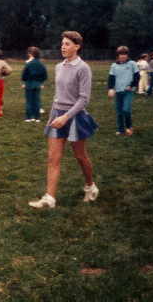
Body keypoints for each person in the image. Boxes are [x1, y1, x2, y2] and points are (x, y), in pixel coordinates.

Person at [29, 31, 98, 209]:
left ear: (77, 46)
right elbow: (57, 96)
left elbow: (84, 99)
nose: (63, 47)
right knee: (53, 158)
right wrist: (52, 116)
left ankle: (91, 187)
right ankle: (49, 198)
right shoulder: (59, 67)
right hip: (58, 115)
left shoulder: (83, 68)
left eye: (67, 44)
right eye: (62, 44)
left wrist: (66, 117)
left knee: (80, 156)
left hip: (74, 116)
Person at [107, 46, 139, 136]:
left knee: (126, 110)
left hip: (128, 91)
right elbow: (111, 79)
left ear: (127, 55)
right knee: (119, 112)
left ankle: (129, 127)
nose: (123, 56)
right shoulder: (114, 66)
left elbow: (137, 76)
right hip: (118, 92)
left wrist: (131, 85)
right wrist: (110, 88)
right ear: (118, 55)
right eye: (121, 54)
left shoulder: (132, 64)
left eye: (125, 54)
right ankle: (120, 130)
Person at [21, 46, 48, 122]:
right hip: (38, 85)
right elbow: (45, 75)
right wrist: (40, 81)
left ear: (31, 54)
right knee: (37, 101)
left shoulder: (28, 64)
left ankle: (28, 118)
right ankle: (37, 118)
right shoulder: (41, 64)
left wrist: (25, 81)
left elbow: (23, 75)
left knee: (29, 101)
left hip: (29, 84)